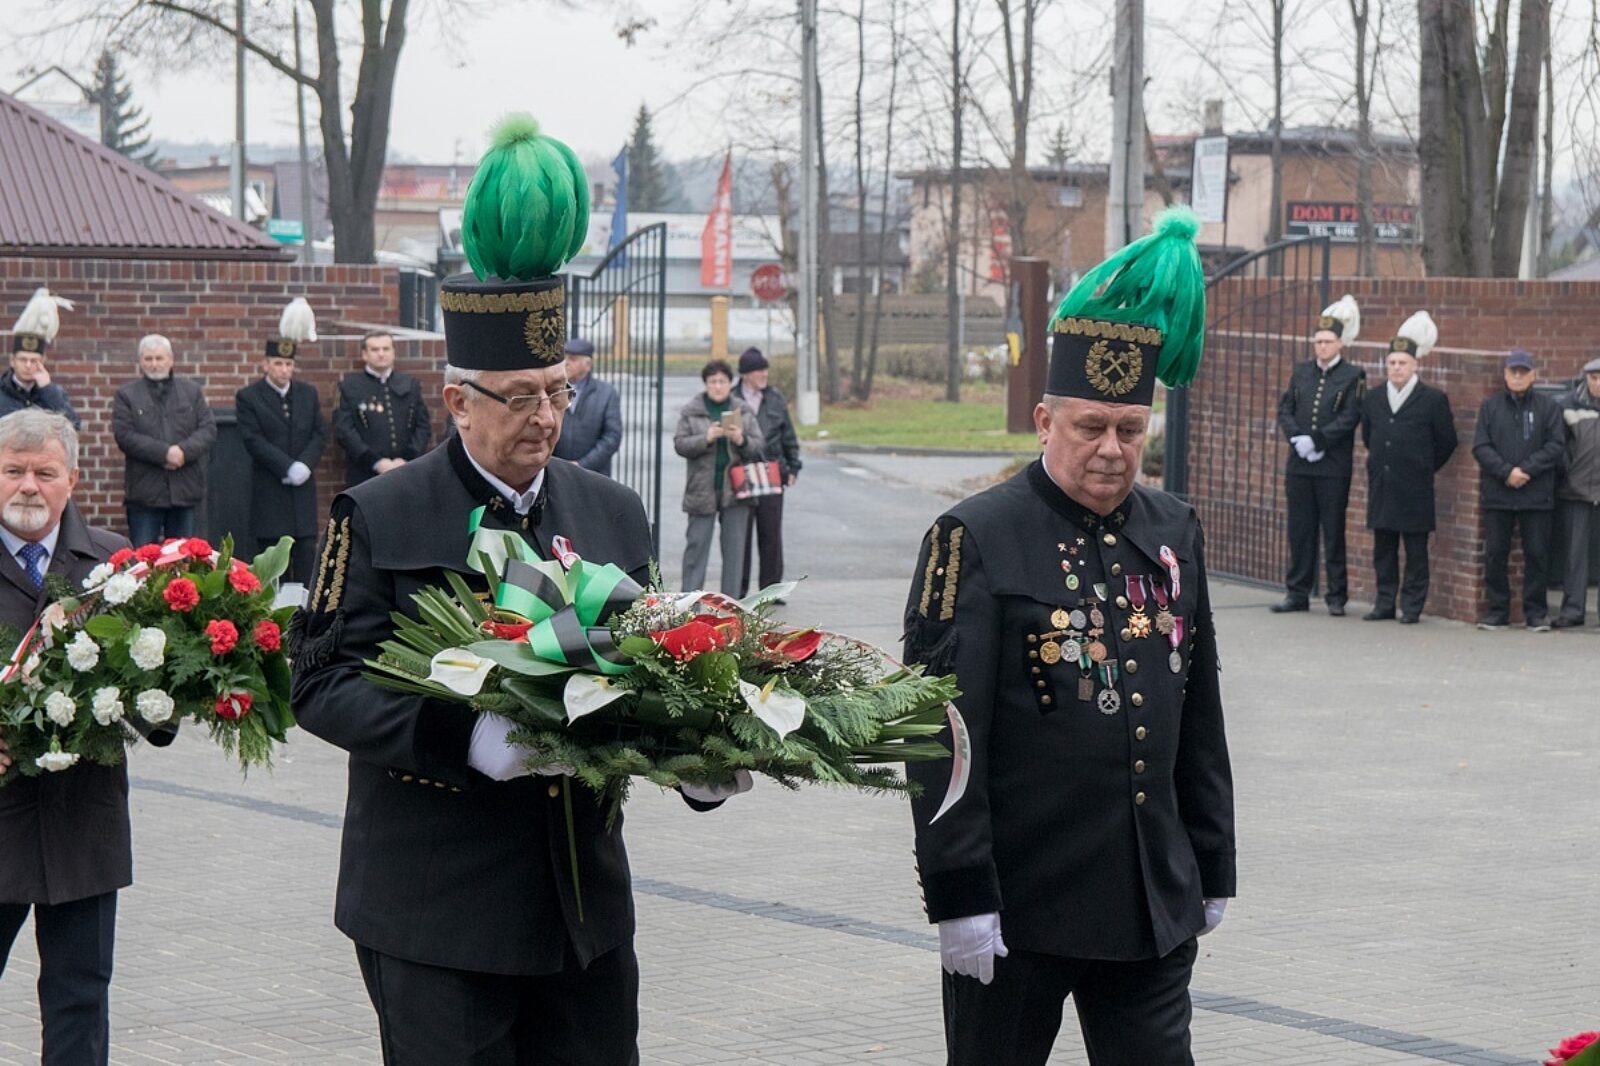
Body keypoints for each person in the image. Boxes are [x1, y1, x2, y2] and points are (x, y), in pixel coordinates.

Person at [291, 115, 746, 1066]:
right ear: (459, 401)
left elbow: (654, 666)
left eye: (558, 389)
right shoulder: (378, 512)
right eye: (522, 395)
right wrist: (464, 736)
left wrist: (700, 752)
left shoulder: (613, 512)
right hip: (437, 911)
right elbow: (321, 683)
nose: (546, 416)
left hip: (581, 911)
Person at [905, 207, 1234, 1066]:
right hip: (1022, 905)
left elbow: (1197, 710)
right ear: (1044, 419)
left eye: (1131, 430)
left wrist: (1211, 861)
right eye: (1090, 427)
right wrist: (959, 892)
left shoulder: (1173, 530)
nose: (1112, 450)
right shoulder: (974, 538)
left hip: (1146, 897)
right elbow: (941, 734)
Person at [0, 410, 167, 1065]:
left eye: (44, 472)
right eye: (13, 470)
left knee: (80, 997)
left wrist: (163, 700)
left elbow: (157, 691)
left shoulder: (113, 562)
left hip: (83, 822)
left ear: (72, 478)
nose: (28, 486)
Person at [1358, 311, 1458, 624]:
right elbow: (1368, 436)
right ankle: (1384, 602)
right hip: (1383, 485)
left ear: (1415, 364)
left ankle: (1412, 605)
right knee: (1383, 549)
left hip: (1415, 487)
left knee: (1415, 551)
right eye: (1392, 362)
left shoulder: (1433, 400)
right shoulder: (1374, 398)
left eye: (1402, 362)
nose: (1397, 368)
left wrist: (1424, 467)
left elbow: (1447, 441)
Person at [1271, 294, 1366, 615]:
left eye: (1327, 341)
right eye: (1318, 341)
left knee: (1333, 531)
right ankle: (1297, 593)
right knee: (1300, 530)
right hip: (1300, 464)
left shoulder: (1354, 375)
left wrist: (1319, 440)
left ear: (1340, 343)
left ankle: (1336, 596)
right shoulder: (1301, 372)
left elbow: (1351, 416)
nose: (1322, 347)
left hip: (1332, 467)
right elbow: (1286, 408)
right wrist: (1296, 438)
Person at [235, 298, 327, 586]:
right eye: (278, 363)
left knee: (305, 563)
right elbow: (253, 439)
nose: (284, 370)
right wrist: (287, 466)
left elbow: (319, 432)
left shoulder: (307, 394)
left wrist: (305, 464)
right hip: (271, 493)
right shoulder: (249, 397)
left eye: (289, 364)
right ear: (266, 364)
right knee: (272, 569)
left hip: (302, 496)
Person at [1472, 349, 1565, 631]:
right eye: (1513, 371)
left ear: (1533, 375)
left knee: (1537, 554)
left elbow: (1555, 445)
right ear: (1505, 374)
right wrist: (1506, 472)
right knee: (1495, 553)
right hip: (1499, 493)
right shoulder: (1490, 407)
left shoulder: (1548, 408)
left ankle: (1535, 613)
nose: (1517, 376)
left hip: (1536, 494)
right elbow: (1481, 446)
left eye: (1523, 372)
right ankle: (1497, 611)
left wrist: (1526, 470)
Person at [111, 334, 218, 546]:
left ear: (171, 359)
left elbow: (208, 429)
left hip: (185, 490)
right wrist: (164, 454)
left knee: (184, 556)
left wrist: (183, 452)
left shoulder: (191, 392)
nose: (154, 364)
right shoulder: (126, 395)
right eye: (148, 359)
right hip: (145, 492)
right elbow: (124, 435)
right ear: (141, 362)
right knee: (142, 556)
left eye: (159, 358)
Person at [674, 358, 764, 596]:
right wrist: (706, 438)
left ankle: (731, 605)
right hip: (701, 489)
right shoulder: (692, 410)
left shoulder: (742, 410)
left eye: (722, 381)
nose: (717, 386)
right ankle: (689, 603)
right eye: (712, 381)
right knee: (696, 549)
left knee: (735, 552)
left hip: (736, 489)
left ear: (730, 383)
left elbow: (758, 445)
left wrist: (740, 439)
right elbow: (680, 444)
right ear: (705, 384)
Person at [733, 346, 802, 598]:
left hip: (772, 472)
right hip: (741, 473)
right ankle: (738, 590)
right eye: (759, 370)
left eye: (765, 369)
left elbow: (788, 435)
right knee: (741, 535)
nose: (764, 374)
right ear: (745, 374)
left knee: (771, 534)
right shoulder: (732, 398)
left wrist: (793, 466)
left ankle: (771, 591)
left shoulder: (775, 398)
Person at [333, 330, 433, 489]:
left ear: (393, 352)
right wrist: (375, 462)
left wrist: (407, 459)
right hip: (364, 475)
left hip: (406, 471)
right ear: (364, 354)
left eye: (386, 349)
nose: (381, 354)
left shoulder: (410, 384)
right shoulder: (349, 387)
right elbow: (344, 430)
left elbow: (423, 426)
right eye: (374, 349)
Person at [1554, 356, 1600, 628]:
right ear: (1586, 379)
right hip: (1576, 488)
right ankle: (1573, 611)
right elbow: (1557, 445)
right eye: (1594, 378)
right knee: (1575, 554)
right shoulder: (1568, 406)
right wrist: (1568, 472)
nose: (1598, 383)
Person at [3, 287, 81, 427]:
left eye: (34, 360)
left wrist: (46, 389)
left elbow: (73, 425)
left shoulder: (53, 393)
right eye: (22, 359)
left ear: (43, 361)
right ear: (12, 361)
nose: (28, 365)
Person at [551, 337, 623, 477]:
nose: (566, 363)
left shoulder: (606, 393)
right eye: (564, 358)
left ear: (588, 365)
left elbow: (612, 437)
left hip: (594, 476)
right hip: (556, 473)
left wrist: (582, 465)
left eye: (572, 359)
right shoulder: (553, 390)